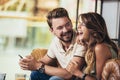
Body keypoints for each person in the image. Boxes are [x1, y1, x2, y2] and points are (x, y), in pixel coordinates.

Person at [19, 7, 86, 80]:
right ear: (52, 30)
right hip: (63, 77)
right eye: (60, 28)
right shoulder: (56, 42)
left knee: (55, 79)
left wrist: (38, 65)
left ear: (71, 22)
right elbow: (44, 61)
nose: (65, 30)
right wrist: (28, 62)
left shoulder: (81, 40)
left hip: (77, 78)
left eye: (67, 24)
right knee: (35, 74)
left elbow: (70, 74)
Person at [66, 12, 119, 80]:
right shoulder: (93, 47)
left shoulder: (100, 48)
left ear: (93, 29)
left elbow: (98, 79)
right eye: (79, 23)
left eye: (83, 24)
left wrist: (77, 73)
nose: (78, 26)